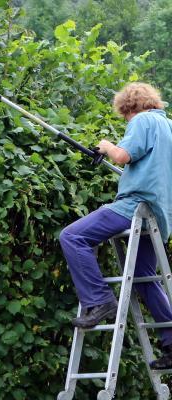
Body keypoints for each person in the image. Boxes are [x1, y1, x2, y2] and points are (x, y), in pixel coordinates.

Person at [59, 82, 172, 369]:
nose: (126, 121)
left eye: (124, 116)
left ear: (129, 107)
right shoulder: (167, 126)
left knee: (72, 236)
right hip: (160, 214)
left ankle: (99, 300)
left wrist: (107, 146)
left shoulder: (142, 120)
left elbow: (122, 156)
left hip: (135, 206)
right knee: (144, 277)